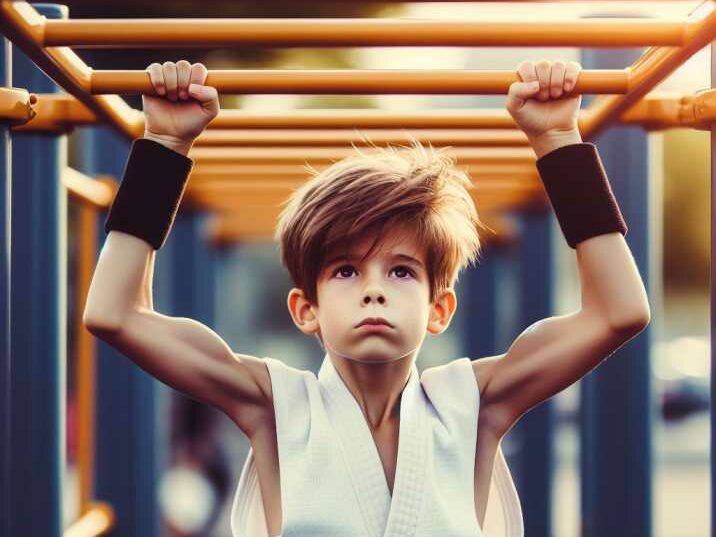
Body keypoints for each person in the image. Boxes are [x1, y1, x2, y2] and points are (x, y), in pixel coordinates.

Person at [83, 59, 651, 537]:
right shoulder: (274, 404)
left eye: (402, 272)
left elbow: (618, 311)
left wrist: (558, 141)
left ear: (439, 309)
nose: (375, 288)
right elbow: (114, 314)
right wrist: (164, 143)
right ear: (307, 309)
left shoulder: (472, 403)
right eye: (347, 271)